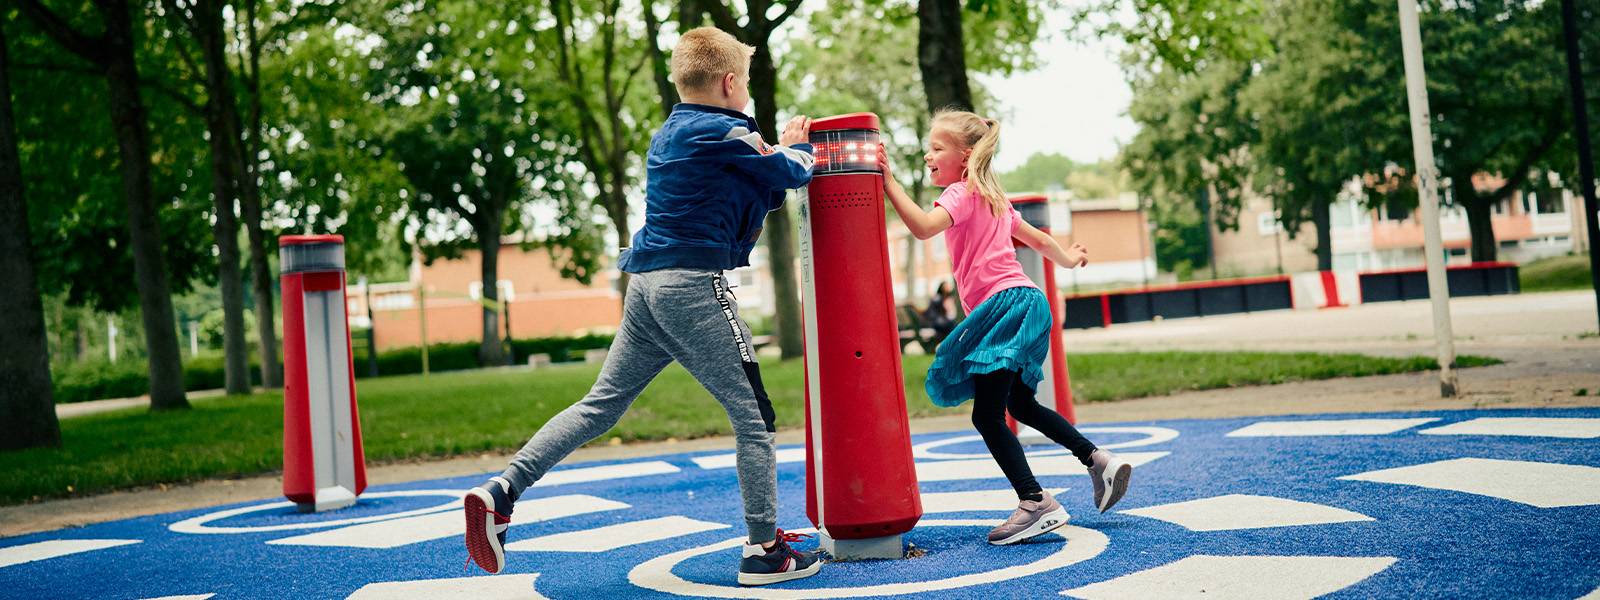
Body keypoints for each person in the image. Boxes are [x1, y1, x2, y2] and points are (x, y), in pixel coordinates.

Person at [463, 26, 823, 586]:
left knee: (600, 405)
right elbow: (792, 173)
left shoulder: (672, 133)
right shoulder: (728, 129)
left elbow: (761, 191)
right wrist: (797, 144)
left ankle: (503, 489)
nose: (747, 91)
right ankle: (763, 550)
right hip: (691, 287)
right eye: (747, 81)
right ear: (730, 82)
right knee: (754, 418)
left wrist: (775, 160)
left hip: (646, 289)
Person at [878, 109, 1133, 546]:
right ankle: (1097, 459)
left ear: (967, 154)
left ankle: (1035, 501)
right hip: (1031, 302)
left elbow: (921, 228)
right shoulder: (995, 198)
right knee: (1021, 404)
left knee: (987, 414)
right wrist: (1069, 259)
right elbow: (1038, 241)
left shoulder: (960, 194)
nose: (928, 155)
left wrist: (888, 182)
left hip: (1004, 306)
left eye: (938, 148)